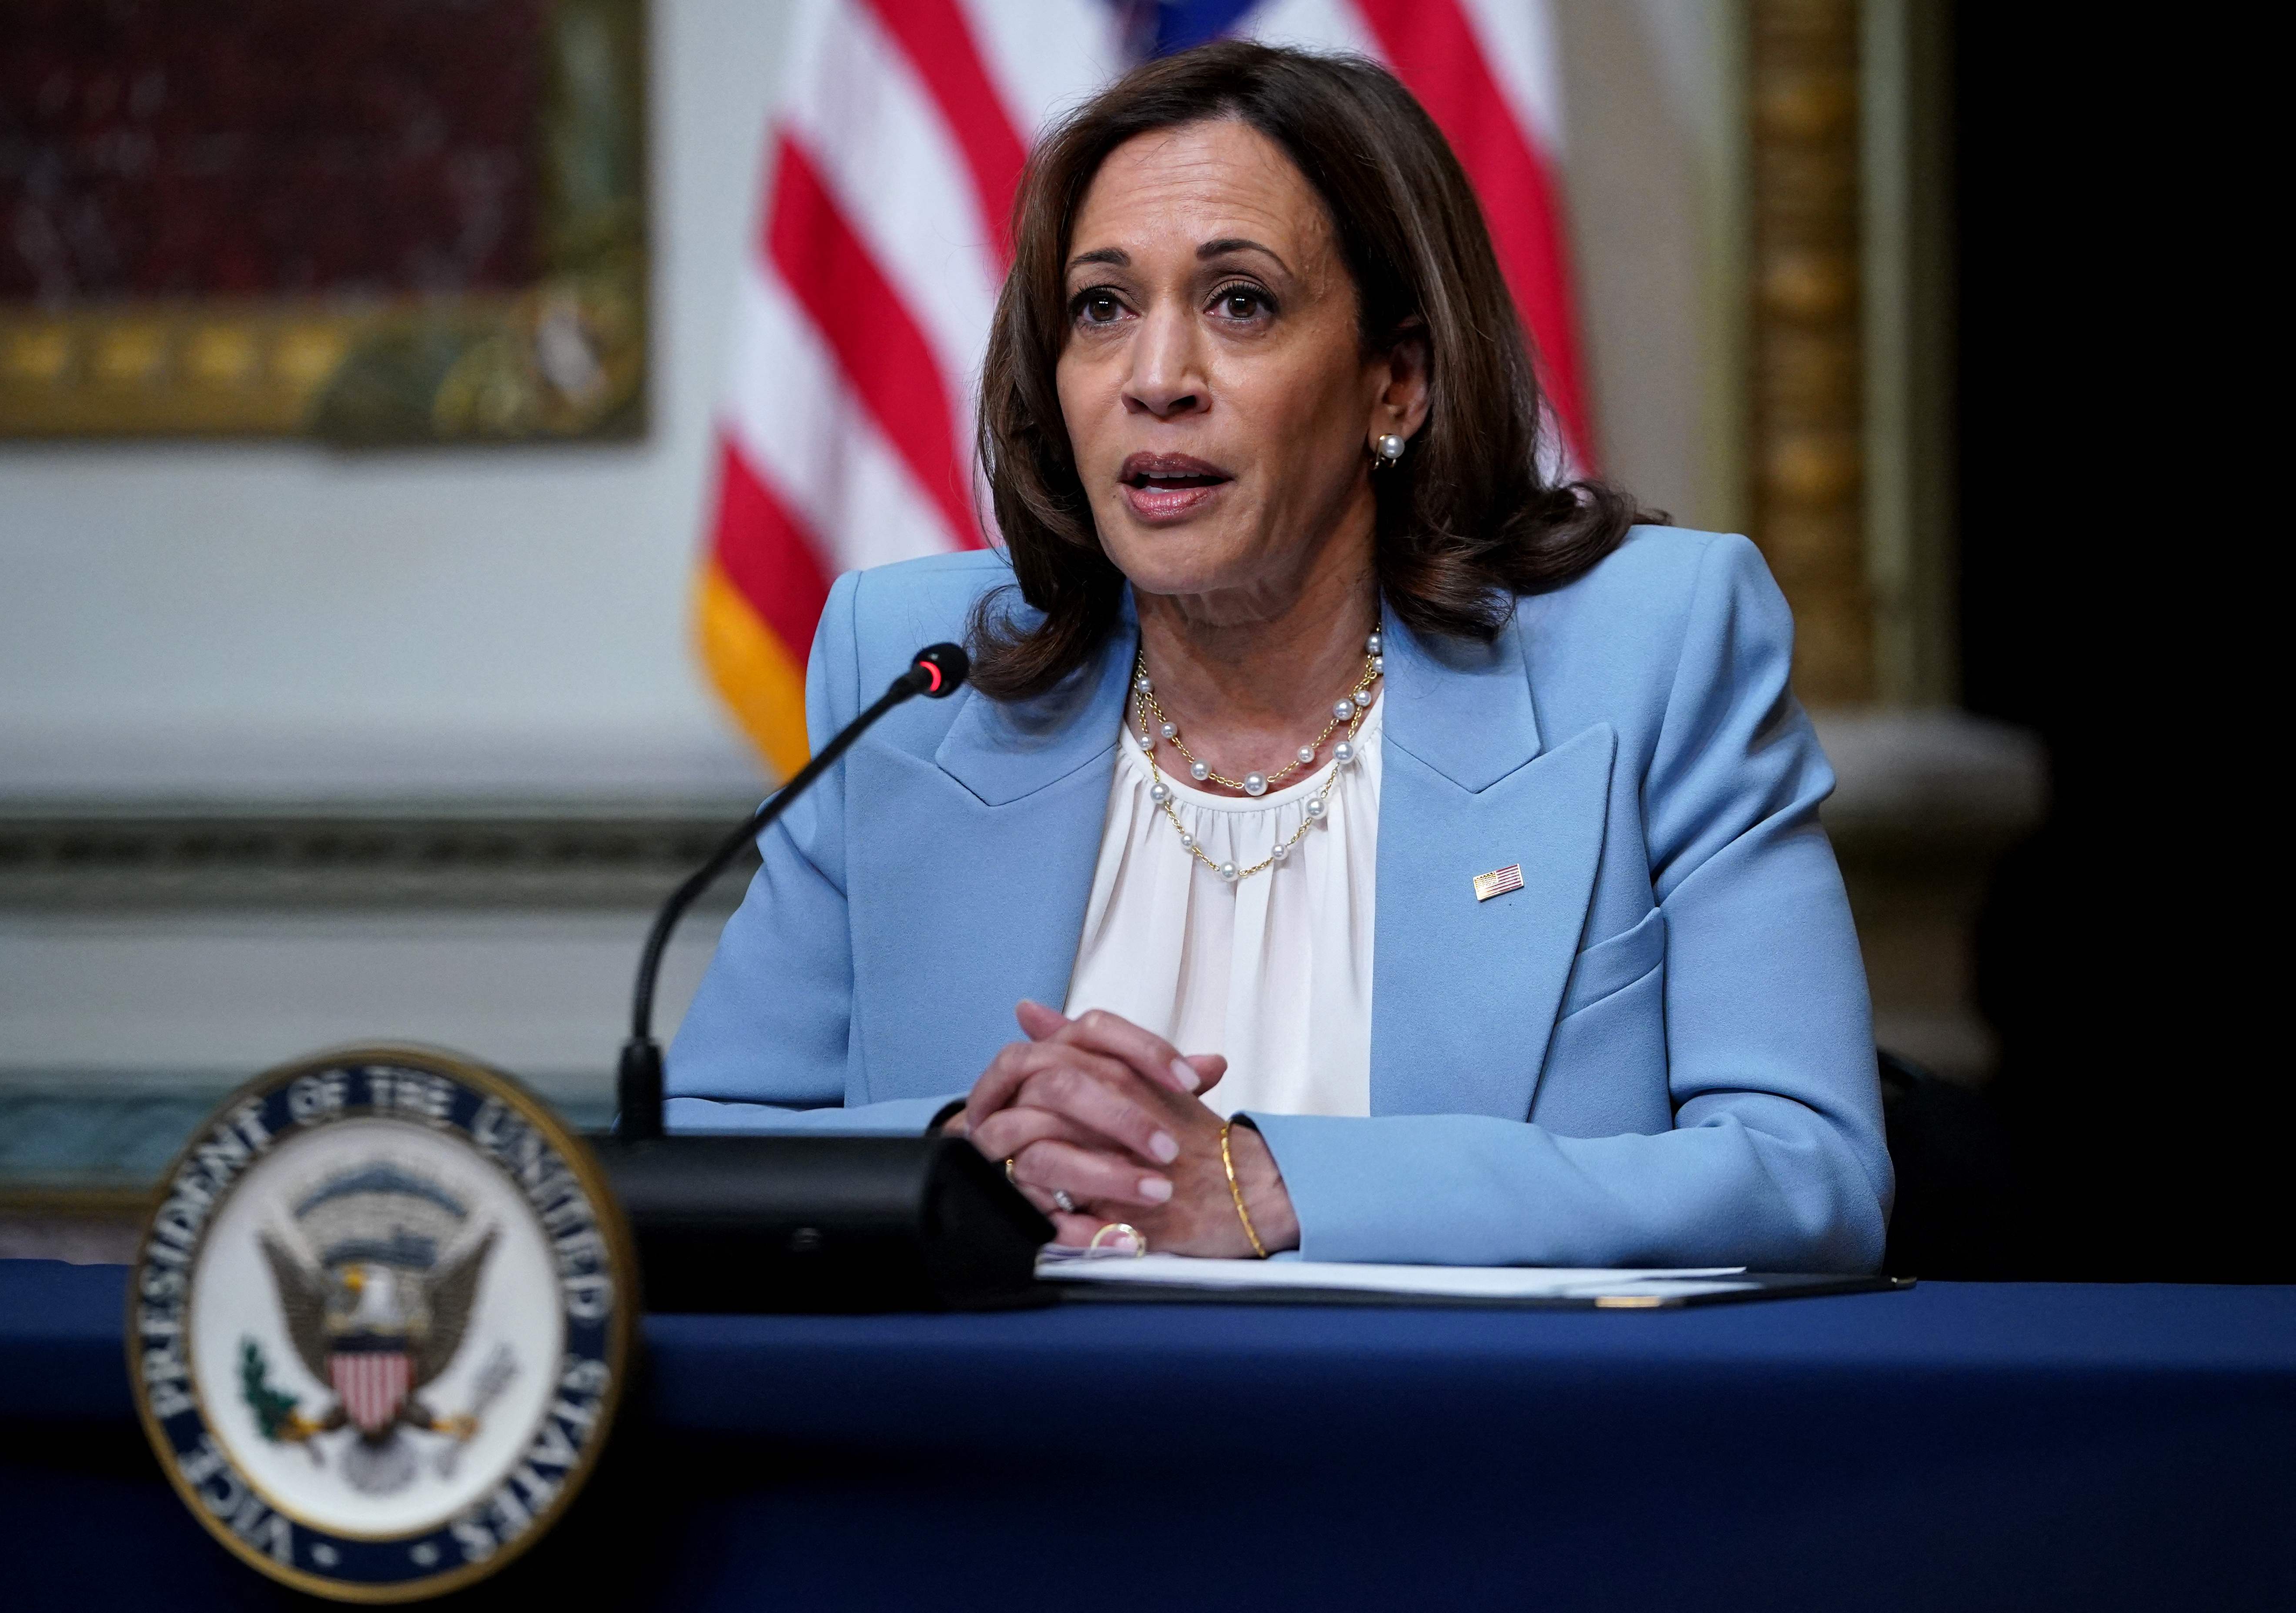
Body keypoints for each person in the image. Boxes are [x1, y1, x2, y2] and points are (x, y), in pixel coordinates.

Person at [667, 42, 1890, 1270]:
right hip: (1002, 1443)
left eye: (1239, 302)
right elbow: (698, 1148)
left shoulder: (1650, 652)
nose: (1156, 378)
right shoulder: (918, 675)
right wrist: (963, 1162)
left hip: (1462, 1445)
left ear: (1396, 381)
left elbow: (1808, 1175)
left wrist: (1270, 1184)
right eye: (1103, 307)